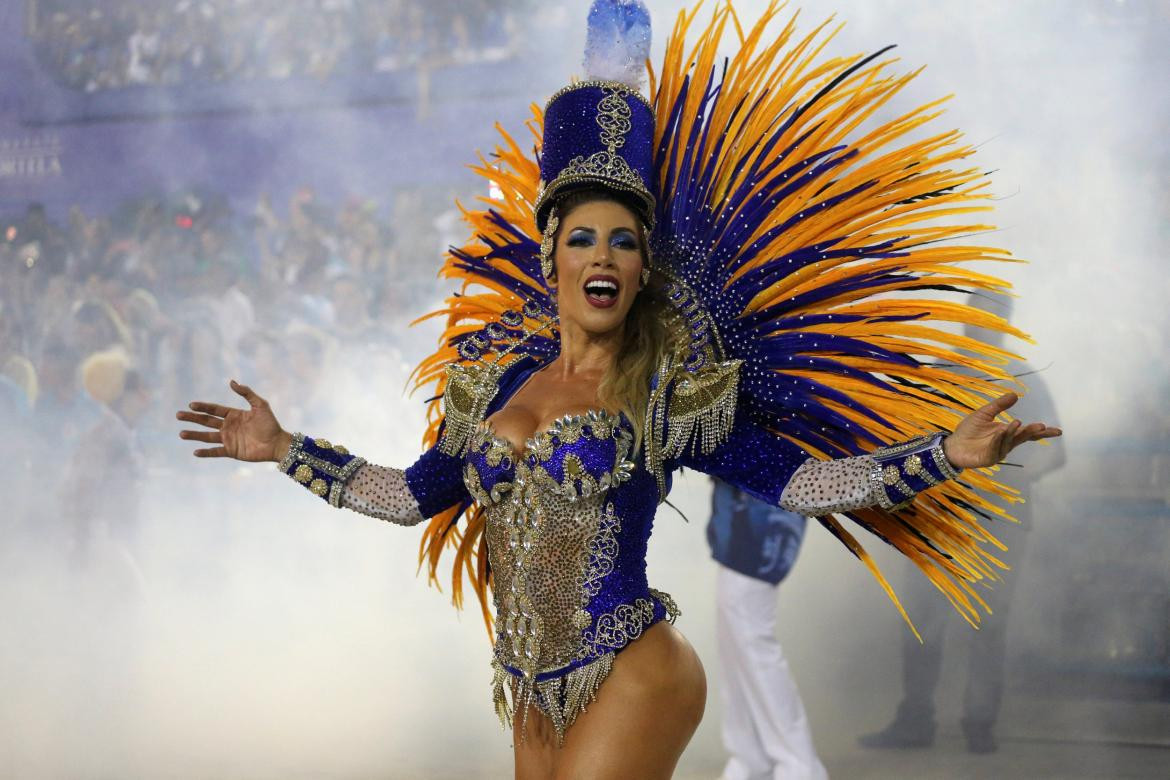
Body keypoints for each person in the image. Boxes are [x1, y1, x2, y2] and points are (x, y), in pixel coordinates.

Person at [176, 2, 1061, 777]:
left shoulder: (671, 392)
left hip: (634, 669)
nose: (603, 253)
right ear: (552, 255)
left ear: (641, 271)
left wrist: (948, 453)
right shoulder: (490, 380)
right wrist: (285, 451)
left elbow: (804, 484)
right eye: (584, 237)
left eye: (625, 241)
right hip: (524, 685)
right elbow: (410, 497)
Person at [859, 297, 1066, 754]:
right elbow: (902, 442)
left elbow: (1057, 451)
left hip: (998, 523)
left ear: (1003, 321)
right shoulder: (940, 372)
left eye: (989, 316)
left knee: (987, 625)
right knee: (922, 621)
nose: (979, 327)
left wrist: (1001, 476)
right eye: (974, 316)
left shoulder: (1021, 377)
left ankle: (978, 726)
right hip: (938, 521)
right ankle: (917, 721)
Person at [708, 479, 827, 780]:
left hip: (763, 511)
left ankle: (798, 764)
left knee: (752, 644)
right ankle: (750, 756)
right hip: (743, 508)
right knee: (735, 646)